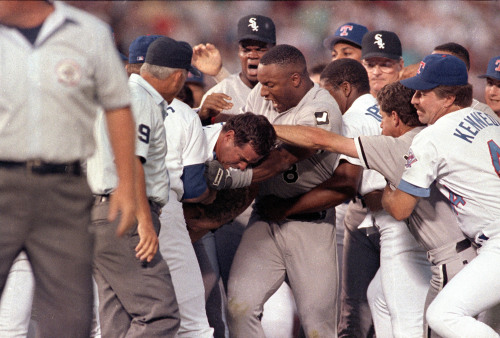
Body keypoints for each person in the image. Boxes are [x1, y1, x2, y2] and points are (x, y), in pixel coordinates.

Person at [0, 1, 136, 337]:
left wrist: (127, 184)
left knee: (70, 318)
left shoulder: (88, 30)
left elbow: (117, 105)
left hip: (65, 187)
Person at [225, 44, 343, 337]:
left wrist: (263, 129)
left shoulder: (322, 106)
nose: (262, 92)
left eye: (269, 84)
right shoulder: (260, 95)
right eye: (261, 84)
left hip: (309, 224)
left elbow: (280, 160)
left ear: (295, 79)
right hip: (265, 217)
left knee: (318, 327)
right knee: (239, 307)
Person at [382, 53, 500, 337]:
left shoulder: (432, 137)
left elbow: (400, 209)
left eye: (423, 93)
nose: (414, 100)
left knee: (443, 314)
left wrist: (385, 189)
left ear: (448, 98)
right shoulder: (488, 120)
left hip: (497, 244)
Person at [87, 36, 187, 337]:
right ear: (179, 76)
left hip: (100, 213)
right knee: (160, 315)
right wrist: (144, 222)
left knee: (118, 320)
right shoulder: (140, 99)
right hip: (125, 215)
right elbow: (131, 161)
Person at [125, 34, 215, 337]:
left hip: (107, 209)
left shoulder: (110, 101)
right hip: (162, 212)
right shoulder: (179, 111)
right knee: (190, 320)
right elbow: (191, 187)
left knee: (113, 313)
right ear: (178, 76)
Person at [197, 14, 276, 122]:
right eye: (246, 50)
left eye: (260, 49)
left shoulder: (286, 90)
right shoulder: (221, 91)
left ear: (274, 50)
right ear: (238, 52)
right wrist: (203, 118)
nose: (252, 55)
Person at [361, 30, 404, 98]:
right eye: (370, 65)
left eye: (385, 65)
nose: (376, 72)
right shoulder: (352, 105)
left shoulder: (413, 103)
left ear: (400, 65)